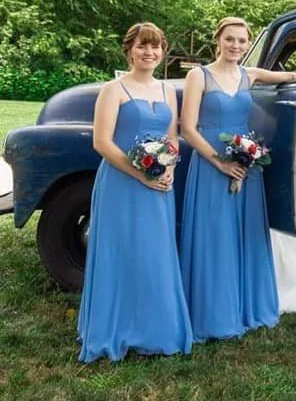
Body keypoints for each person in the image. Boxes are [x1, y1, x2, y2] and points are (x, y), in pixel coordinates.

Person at [179, 16, 296, 341]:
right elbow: (188, 128)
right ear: (218, 39)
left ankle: (242, 304)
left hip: (246, 161)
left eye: (242, 40)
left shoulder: (249, 74)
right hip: (212, 163)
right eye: (230, 39)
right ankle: (212, 311)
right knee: (214, 235)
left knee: (242, 234)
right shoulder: (198, 75)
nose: (236, 45)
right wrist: (220, 164)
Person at [78, 23, 192, 362]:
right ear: (129, 50)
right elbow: (102, 142)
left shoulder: (168, 90)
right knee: (120, 252)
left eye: (155, 47)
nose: (150, 53)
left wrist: (168, 167)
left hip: (159, 185)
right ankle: (115, 329)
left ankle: (154, 329)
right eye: (143, 46)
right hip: (121, 184)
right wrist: (140, 176)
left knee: (154, 254)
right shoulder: (113, 90)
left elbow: (172, 137)